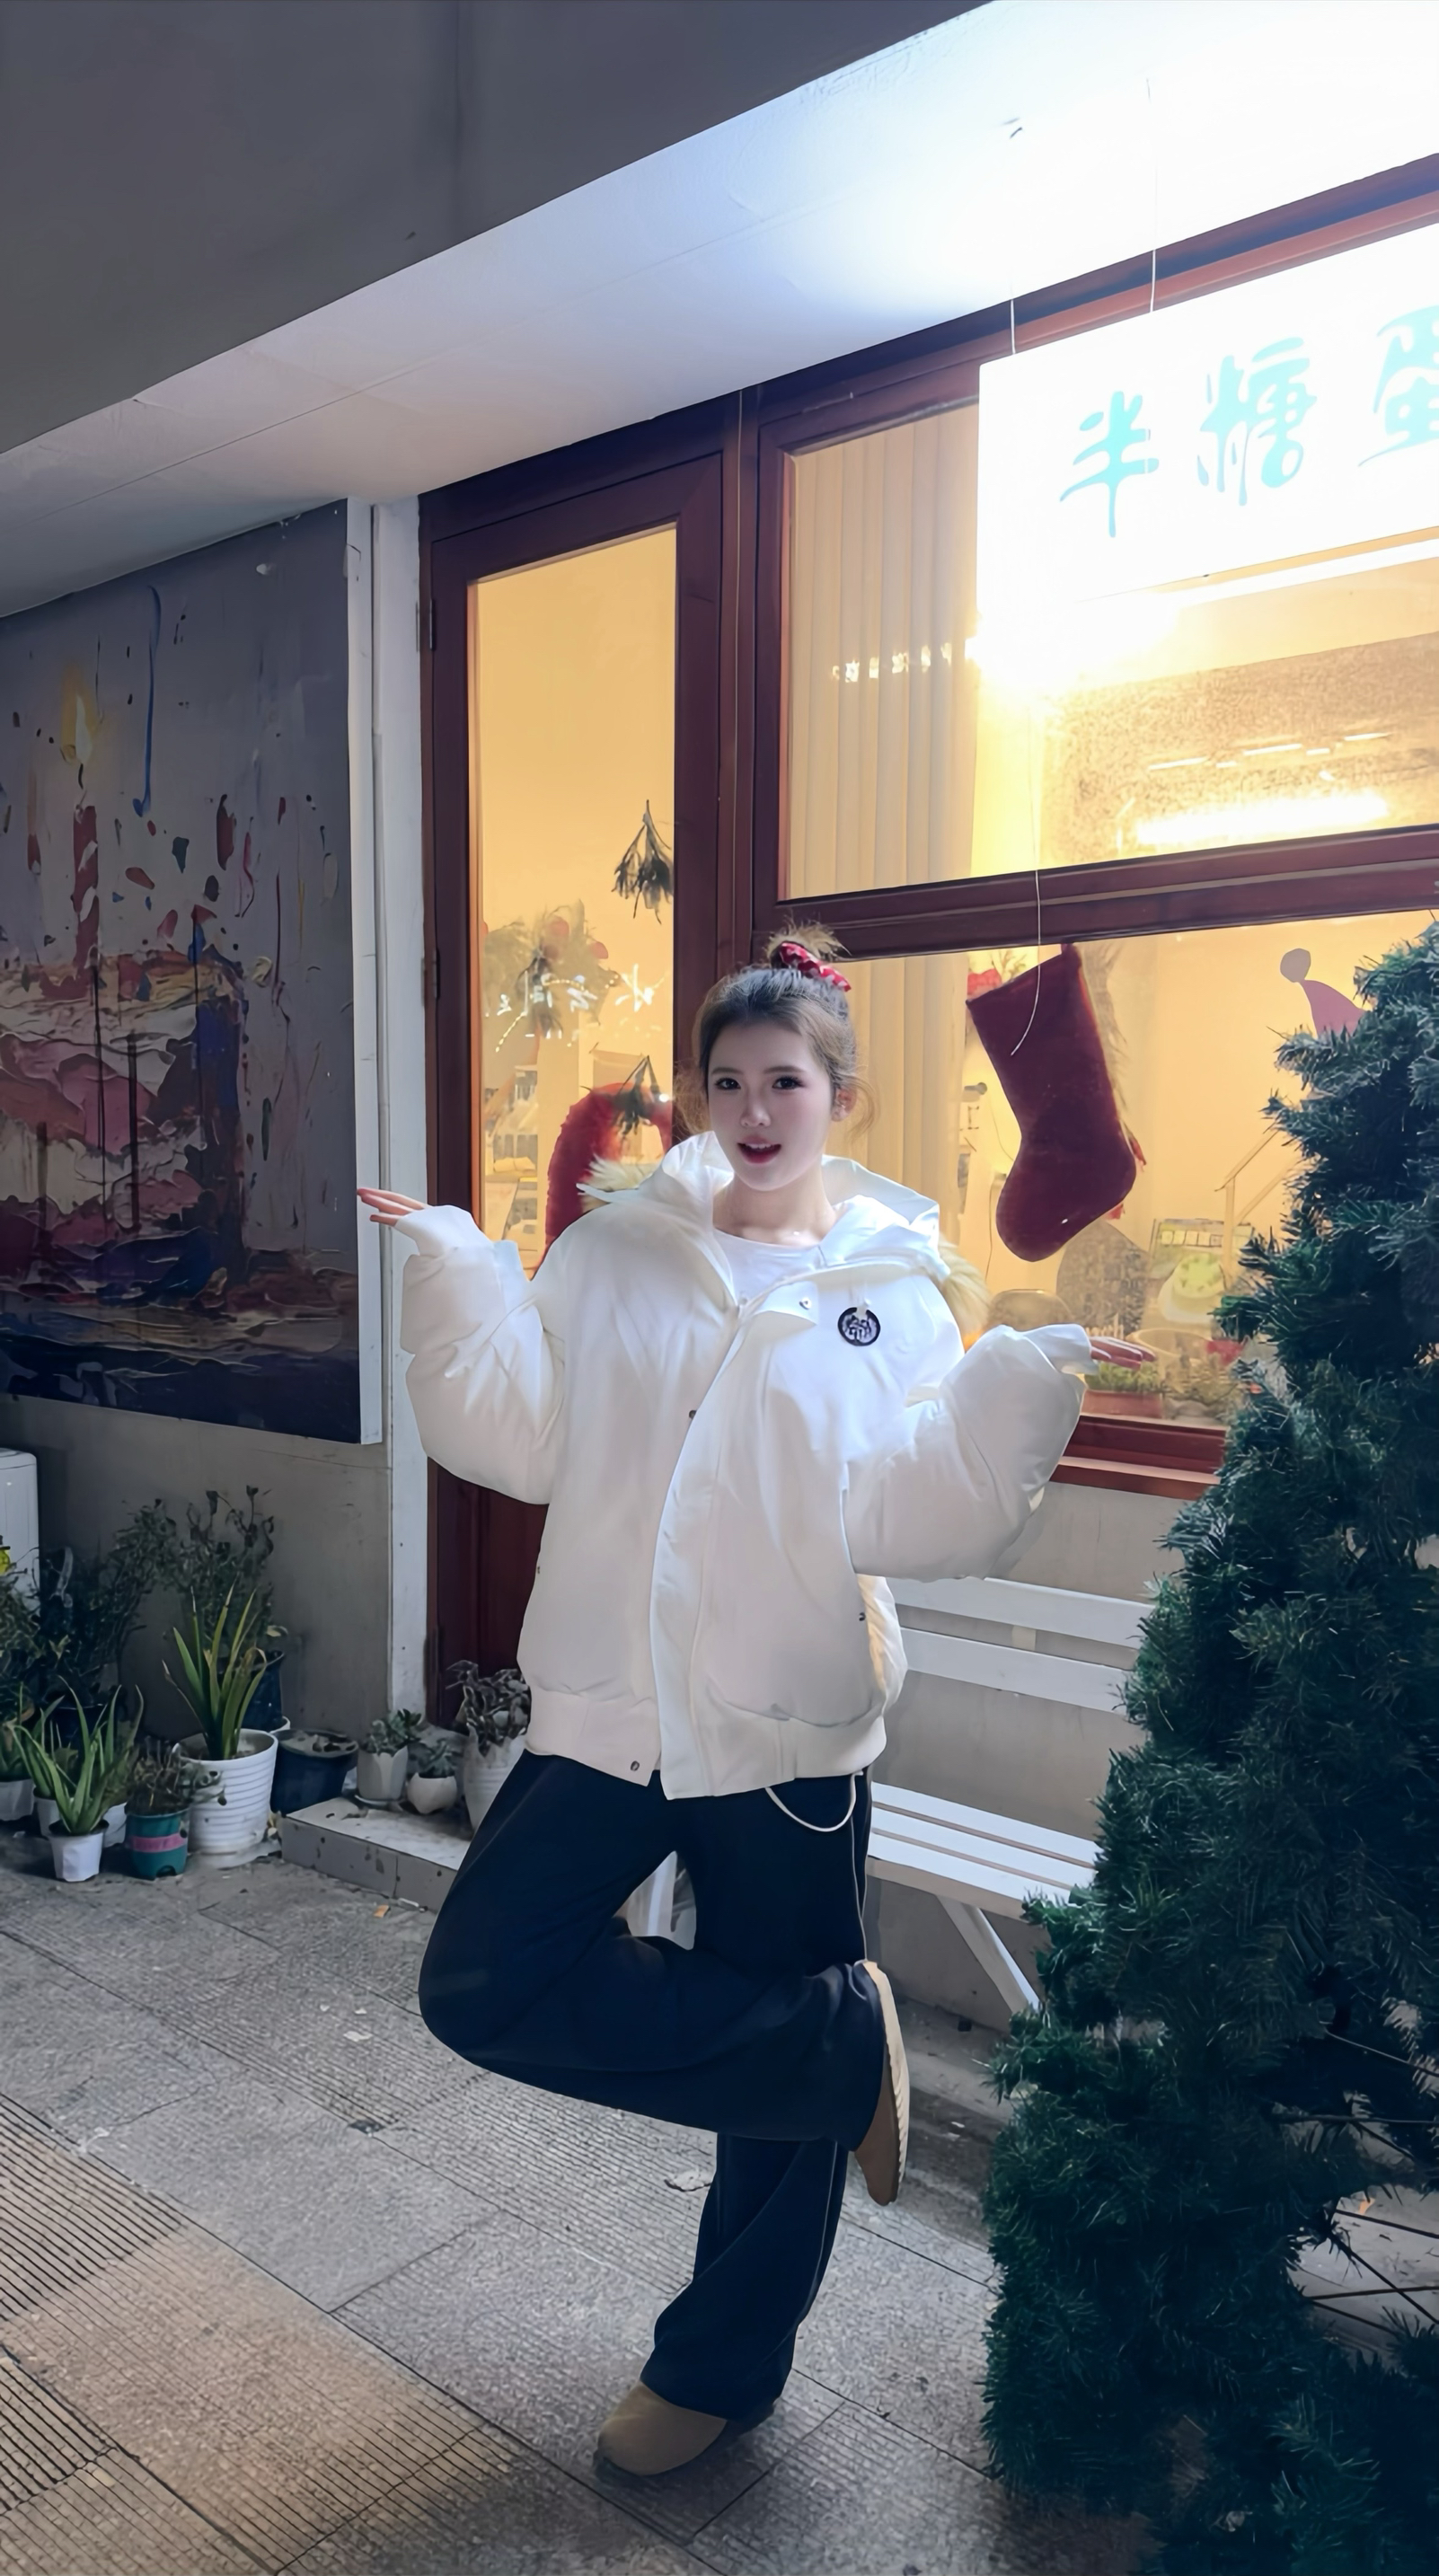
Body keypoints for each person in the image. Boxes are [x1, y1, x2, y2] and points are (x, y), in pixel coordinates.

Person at [358, 930, 1092, 2479]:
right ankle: (840, 2047)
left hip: (785, 1728)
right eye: (728, 1082)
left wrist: (1023, 1383)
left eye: (785, 1082)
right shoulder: (611, 1251)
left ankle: (718, 2371)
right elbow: (524, 1436)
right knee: (483, 1981)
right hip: (608, 1705)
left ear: (839, 1097)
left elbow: (913, 1507)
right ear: (697, 1096)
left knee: (773, 2111)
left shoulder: (894, 1293)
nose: (755, 1110)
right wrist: (455, 1269)